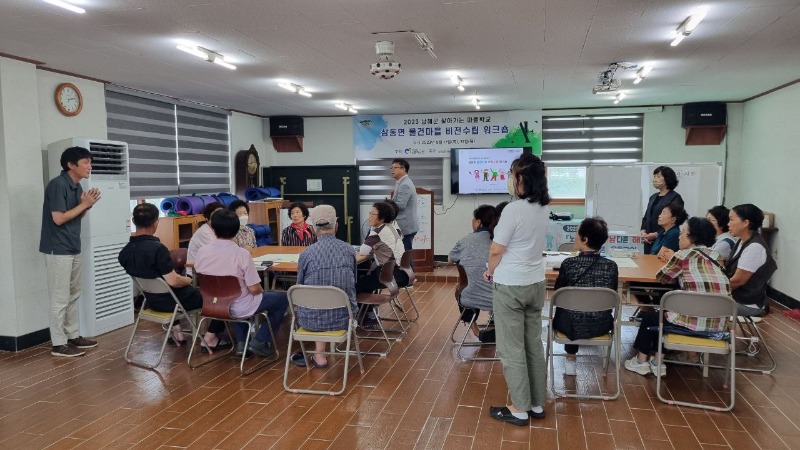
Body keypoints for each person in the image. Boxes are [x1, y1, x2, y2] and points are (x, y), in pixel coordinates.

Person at [484, 153, 550, 426]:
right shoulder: (544, 206)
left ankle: (519, 408)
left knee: (512, 348)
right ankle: (536, 404)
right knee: (533, 344)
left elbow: (497, 248)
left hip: (511, 284)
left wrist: (490, 270)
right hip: (536, 283)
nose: (510, 179)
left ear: (521, 179)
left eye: (512, 174)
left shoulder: (513, 209)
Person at [624, 217, 730, 377]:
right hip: (718, 326)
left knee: (651, 317)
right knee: (664, 314)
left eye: (682, 233)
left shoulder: (682, 255)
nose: (679, 236)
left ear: (692, 237)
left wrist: (672, 261)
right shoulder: (716, 256)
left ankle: (641, 361)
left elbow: (662, 278)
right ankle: (657, 362)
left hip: (690, 324)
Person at [118, 203, 230, 350]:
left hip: (152, 301)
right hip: (175, 302)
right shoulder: (158, 249)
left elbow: (155, 280)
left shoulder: (124, 252)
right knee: (222, 296)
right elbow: (173, 281)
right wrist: (188, 280)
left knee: (167, 290)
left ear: (133, 221)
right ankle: (210, 338)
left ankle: (178, 334)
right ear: (156, 223)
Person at [194, 209, 289, 357]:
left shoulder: (202, 251)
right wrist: (262, 292)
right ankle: (260, 341)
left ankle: (241, 344)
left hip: (211, 304)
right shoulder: (242, 254)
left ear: (213, 228)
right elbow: (254, 289)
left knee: (237, 296)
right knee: (282, 298)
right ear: (237, 229)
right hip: (239, 306)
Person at [40, 146, 102, 358]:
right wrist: (84, 204)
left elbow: (74, 216)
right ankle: (58, 344)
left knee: (74, 293)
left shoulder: (77, 186)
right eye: (85, 162)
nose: (89, 167)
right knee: (59, 297)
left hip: (73, 246)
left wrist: (87, 206)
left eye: (89, 162)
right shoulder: (58, 185)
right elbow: (58, 218)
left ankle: (73, 336)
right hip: (58, 249)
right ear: (70, 165)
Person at [289, 205, 358, 368]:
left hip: (309, 321)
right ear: (337, 226)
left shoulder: (306, 254)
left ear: (313, 229)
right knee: (332, 296)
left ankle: (319, 355)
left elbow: (300, 287)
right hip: (345, 319)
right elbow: (353, 282)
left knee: (315, 299)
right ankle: (319, 354)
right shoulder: (349, 250)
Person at [552, 217, 619, 376]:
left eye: (577, 233)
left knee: (571, 312)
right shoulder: (611, 266)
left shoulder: (568, 264)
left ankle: (570, 360)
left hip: (567, 325)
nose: (574, 236)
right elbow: (611, 295)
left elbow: (557, 292)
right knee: (578, 311)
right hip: (601, 324)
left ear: (585, 239)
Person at [356, 201, 408, 329]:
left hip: (389, 275)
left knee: (355, 285)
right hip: (401, 273)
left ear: (382, 218)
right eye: (370, 213)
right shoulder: (391, 227)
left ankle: (363, 317)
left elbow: (363, 251)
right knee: (366, 281)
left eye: (373, 214)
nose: (369, 216)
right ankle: (369, 315)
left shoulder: (377, 232)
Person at [448, 205, 497, 339]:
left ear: (478, 222)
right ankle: (498, 328)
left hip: (470, 297)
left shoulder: (465, 241)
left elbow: (451, 258)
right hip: (502, 300)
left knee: (462, 288)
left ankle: (475, 329)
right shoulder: (501, 241)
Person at [726, 204, 778, 317]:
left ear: (745, 223)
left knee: (703, 303)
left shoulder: (755, 247)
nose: (728, 224)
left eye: (731, 219)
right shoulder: (741, 241)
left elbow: (738, 281)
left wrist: (711, 290)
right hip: (736, 299)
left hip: (748, 305)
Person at [641, 166, 684, 254]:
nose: (654, 179)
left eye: (658, 176)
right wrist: (643, 231)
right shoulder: (653, 197)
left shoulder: (675, 197)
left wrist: (656, 234)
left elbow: (674, 220)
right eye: (654, 176)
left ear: (667, 179)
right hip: (648, 241)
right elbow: (646, 217)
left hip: (664, 239)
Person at [186, 201, 224, 274]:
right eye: (216, 215)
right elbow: (220, 254)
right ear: (207, 218)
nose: (220, 218)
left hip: (213, 269)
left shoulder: (219, 229)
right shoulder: (204, 232)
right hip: (197, 275)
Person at [389, 158, 419, 252]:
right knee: (404, 255)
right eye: (391, 168)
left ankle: (408, 267)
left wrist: (386, 207)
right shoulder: (401, 182)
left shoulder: (405, 184)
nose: (392, 170)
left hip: (406, 226)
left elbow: (400, 205)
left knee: (405, 255)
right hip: (405, 225)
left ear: (403, 169)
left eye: (395, 168)